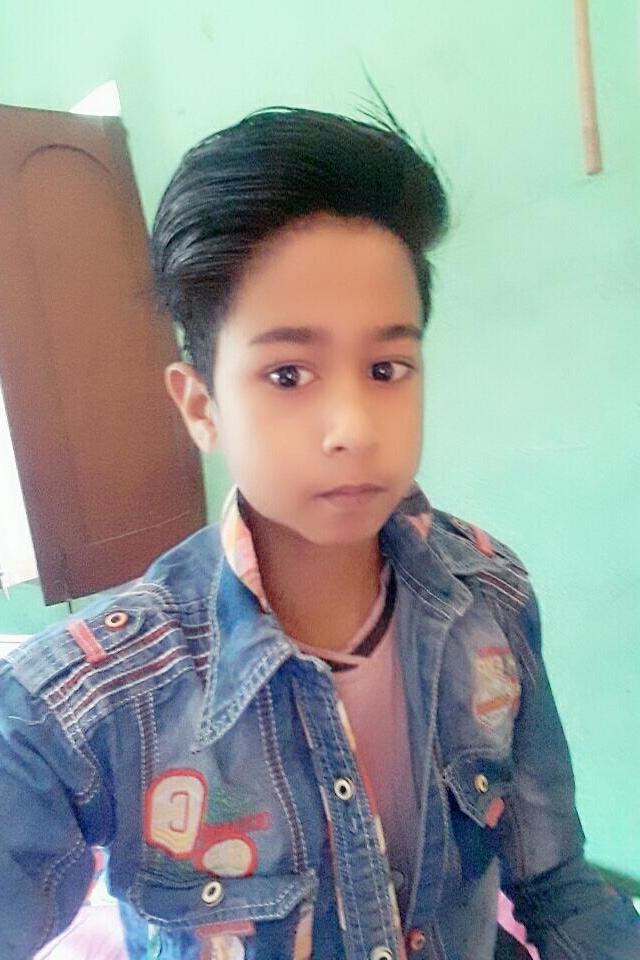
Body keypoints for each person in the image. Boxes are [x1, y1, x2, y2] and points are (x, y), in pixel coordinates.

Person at [0, 103, 638, 960]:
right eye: (288, 374)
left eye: (386, 368)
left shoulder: (489, 594)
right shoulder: (91, 699)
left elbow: (556, 884)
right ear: (201, 405)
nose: (353, 427)